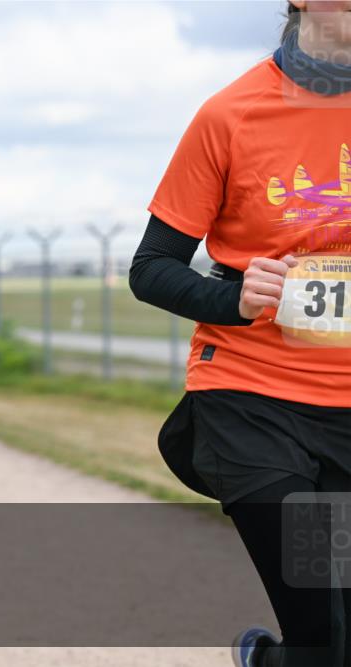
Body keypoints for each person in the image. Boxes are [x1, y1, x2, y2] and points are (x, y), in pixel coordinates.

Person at [129, 4, 350, 666]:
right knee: (322, 627)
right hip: (251, 397)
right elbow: (151, 269)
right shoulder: (231, 114)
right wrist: (235, 296)